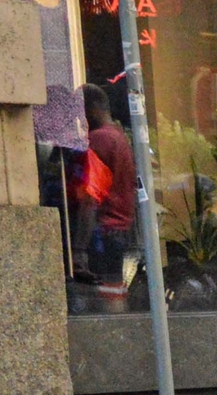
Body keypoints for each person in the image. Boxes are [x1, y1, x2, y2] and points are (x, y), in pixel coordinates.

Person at [77, 84, 137, 284]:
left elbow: (91, 195)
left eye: (81, 111)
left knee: (106, 295)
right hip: (120, 228)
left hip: (103, 232)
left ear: (92, 109)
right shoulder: (119, 137)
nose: (79, 118)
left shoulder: (99, 139)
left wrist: (79, 249)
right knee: (114, 291)